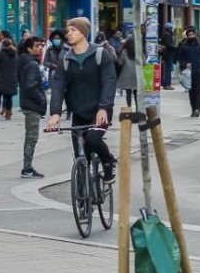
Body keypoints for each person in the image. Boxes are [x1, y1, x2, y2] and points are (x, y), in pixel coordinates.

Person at [47, 17, 117, 181]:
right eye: (68, 31)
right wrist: (55, 113)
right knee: (80, 153)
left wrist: (104, 107)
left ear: (84, 33)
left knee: (92, 140)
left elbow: (109, 82)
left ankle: (108, 161)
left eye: (73, 30)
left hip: (100, 112)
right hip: (78, 112)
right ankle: (82, 189)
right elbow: (58, 85)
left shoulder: (101, 55)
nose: (69, 34)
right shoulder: (65, 58)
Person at [18, 36, 48, 178]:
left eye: (41, 45)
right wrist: (41, 99)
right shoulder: (31, 64)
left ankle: (27, 167)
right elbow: (30, 85)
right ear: (29, 49)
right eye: (37, 46)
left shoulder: (26, 61)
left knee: (31, 136)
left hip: (28, 103)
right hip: (32, 105)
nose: (40, 48)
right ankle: (27, 168)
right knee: (32, 137)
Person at [178, 29, 200, 117]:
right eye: (189, 35)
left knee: (198, 90)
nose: (191, 36)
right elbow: (180, 59)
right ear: (187, 36)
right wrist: (185, 64)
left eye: (192, 34)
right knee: (191, 91)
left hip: (198, 70)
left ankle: (197, 109)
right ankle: (193, 108)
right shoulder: (184, 47)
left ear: (195, 35)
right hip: (189, 73)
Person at [116, 33, 139, 109]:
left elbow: (120, 62)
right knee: (136, 92)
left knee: (128, 93)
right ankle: (137, 108)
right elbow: (144, 61)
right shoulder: (138, 51)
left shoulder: (124, 52)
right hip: (136, 74)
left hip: (127, 75)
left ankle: (129, 108)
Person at [159, 23, 177, 90]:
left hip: (166, 53)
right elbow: (168, 44)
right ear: (169, 28)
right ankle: (167, 84)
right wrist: (175, 47)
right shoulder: (167, 34)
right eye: (171, 28)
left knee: (167, 69)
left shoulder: (165, 34)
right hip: (169, 54)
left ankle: (166, 83)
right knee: (168, 69)